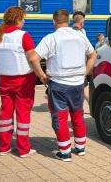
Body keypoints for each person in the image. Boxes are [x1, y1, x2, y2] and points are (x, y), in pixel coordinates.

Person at [27, 9, 96, 162]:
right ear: (68, 20)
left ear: (53, 21)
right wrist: (85, 73)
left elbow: (33, 59)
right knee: (77, 115)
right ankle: (80, 147)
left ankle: (65, 152)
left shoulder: (50, 38)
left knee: (60, 118)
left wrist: (42, 76)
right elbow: (93, 55)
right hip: (78, 83)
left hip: (58, 85)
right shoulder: (80, 36)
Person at [0, 6, 36, 158]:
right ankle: (23, 149)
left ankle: (4, 147)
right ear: (17, 19)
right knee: (23, 115)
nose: (24, 22)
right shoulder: (23, 36)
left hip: (4, 80)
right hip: (23, 81)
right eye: (23, 18)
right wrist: (41, 73)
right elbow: (32, 58)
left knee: (5, 113)